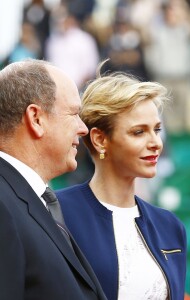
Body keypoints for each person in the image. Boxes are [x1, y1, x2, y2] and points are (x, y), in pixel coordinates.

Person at [56, 62, 187, 300]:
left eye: (157, 130)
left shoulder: (170, 225)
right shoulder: (56, 213)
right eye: (139, 132)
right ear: (99, 139)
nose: (155, 142)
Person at [0, 59, 107, 300]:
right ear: (36, 118)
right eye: (74, 114)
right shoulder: (3, 206)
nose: (83, 128)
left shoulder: (34, 201)